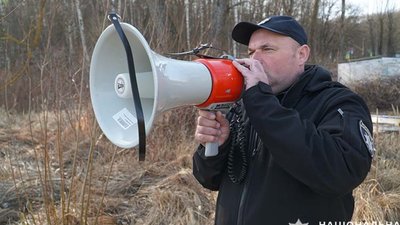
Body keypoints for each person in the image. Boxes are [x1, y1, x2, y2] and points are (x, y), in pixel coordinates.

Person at [192, 15, 375, 225]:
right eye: (251, 51)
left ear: (301, 55)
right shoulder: (245, 103)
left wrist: (262, 104)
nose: (255, 59)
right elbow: (208, 179)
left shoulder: (339, 102)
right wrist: (216, 146)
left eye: (267, 49)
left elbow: (341, 173)